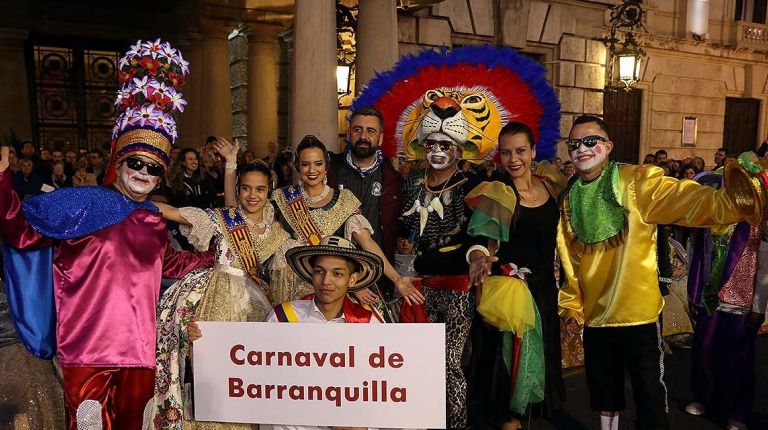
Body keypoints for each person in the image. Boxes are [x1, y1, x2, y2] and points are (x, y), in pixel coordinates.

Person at [0, 38, 213, 429]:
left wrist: (215, 254)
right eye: (137, 162)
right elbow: (19, 227)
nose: (144, 174)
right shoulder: (81, 202)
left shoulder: (152, 219)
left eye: (154, 168)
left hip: (140, 352)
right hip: (87, 352)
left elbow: (171, 264)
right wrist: (1, 180)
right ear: (119, 159)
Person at [352, 45, 562, 429]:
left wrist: (477, 256)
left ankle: (459, 424)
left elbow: (482, 235)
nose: (437, 151)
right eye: (431, 144)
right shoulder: (409, 182)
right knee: (413, 365)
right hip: (412, 288)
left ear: (458, 148)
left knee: (455, 365)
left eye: (445, 145)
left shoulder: (477, 185)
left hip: (460, 289)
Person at [557, 114, 762, 430]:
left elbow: (680, 198)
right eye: (574, 143)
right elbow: (571, 259)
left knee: (649, 390)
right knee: (602, 389)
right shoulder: (570, 199)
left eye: (590, 141)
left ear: (608, 146)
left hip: (638, 313)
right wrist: (573, 307)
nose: (581, 149)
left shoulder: (635, 181)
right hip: (597, 315)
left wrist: (726, 202)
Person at [152, 142, 299, 429]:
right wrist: (131, 201)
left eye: (259, 189)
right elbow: (174, 212)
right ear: (239, 189)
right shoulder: (223, 219)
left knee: (246, 380)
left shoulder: (278, 235)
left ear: (269, 191)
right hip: (213, 303)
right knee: (209, 378)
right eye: (246, 188)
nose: (252, 195)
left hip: (253, 310)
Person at [466, 122, 565, 428]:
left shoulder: (551, 185)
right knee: (508, 376)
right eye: (506, 152)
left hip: (544, 292)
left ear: (533, 151)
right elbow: (480, 239)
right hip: (511, 297)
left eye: (520, 151)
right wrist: (479, 257)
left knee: (533, 372)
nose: (513, 159)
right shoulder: (499, 193)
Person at [269, 135, 421, 314]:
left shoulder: (344, 200)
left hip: (334, 289)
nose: (312, 170)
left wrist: (396, 279)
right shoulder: (281, 198)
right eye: (305, 164)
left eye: (318, 163)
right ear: (297, 166)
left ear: (326, 166)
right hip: (290, 290)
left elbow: (367, 243)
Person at [685, 155, 768, 430]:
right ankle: (704, 398)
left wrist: (759, 306)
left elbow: (764, 266)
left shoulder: (758, 220)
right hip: (710, 298)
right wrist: (693, 293)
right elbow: (696, 255)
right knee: (705, 349)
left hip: (742, 300)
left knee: (738, 357)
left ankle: (738, 411)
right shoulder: (711, 216)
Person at [328, 106, 404, 298]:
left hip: (379, 277)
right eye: (357, 129)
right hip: (335, 276)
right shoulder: (329, 172)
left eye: (371, 131)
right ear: (348, 134)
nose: (363, 136)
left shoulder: (394, 179)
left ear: (380, 138)